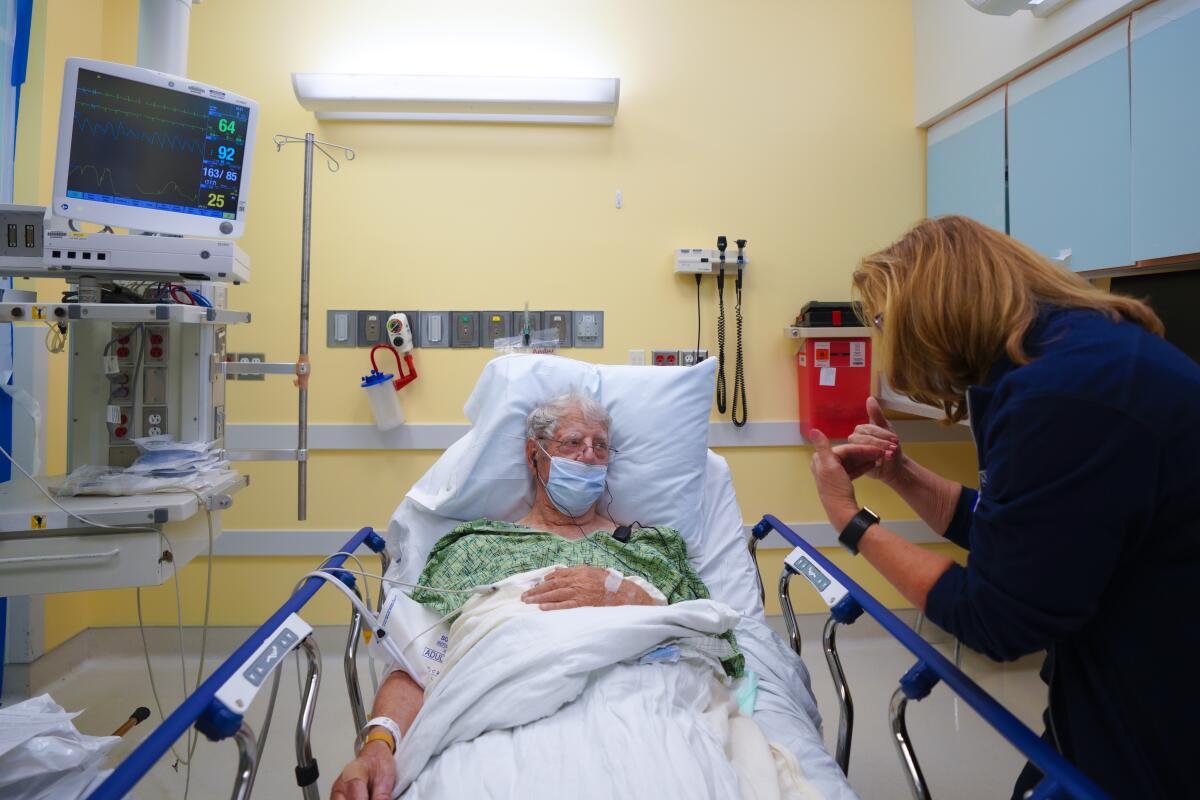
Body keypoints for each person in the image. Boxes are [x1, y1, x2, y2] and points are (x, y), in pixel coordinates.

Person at [807, 215, 1200, 799]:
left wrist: (850, 521)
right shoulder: (1063, 360)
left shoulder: (1064, 392)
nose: (890, 342)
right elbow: (1022, 535)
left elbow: (995, 618)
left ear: (932, 309)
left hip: (1162, 701)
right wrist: (900, 473)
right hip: (1118, 674)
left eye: (886, 322)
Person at [331, 393, 739, 800]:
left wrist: (627, 595)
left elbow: (717, 646)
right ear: (534, 456)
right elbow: (420, 664)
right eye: (572, 443)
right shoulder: (475, 547)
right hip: (497, 711)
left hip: (642, 702)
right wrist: (378, 744)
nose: (589, 456)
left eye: (600, 447)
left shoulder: (652, 548)